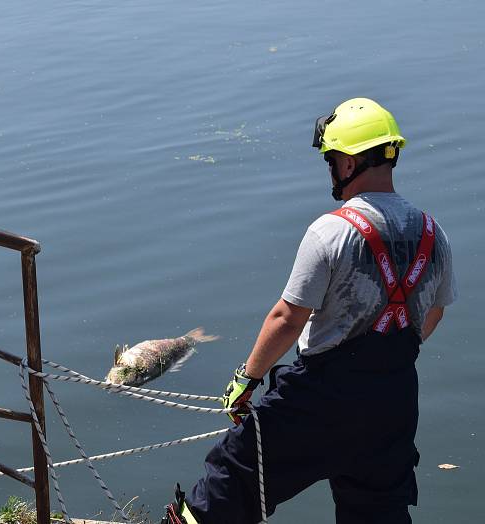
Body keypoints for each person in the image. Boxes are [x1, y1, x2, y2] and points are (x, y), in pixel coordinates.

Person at [163, 98, 457, 524]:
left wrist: (248, 378)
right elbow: (434, 316)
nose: (331, 168)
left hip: (322, 397)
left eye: (332, 158)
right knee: (378, 510)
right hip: (393, 399)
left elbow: (287, 318)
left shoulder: (332, 231)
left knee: (233, 475)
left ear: (350, 162)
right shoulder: (434, 233)